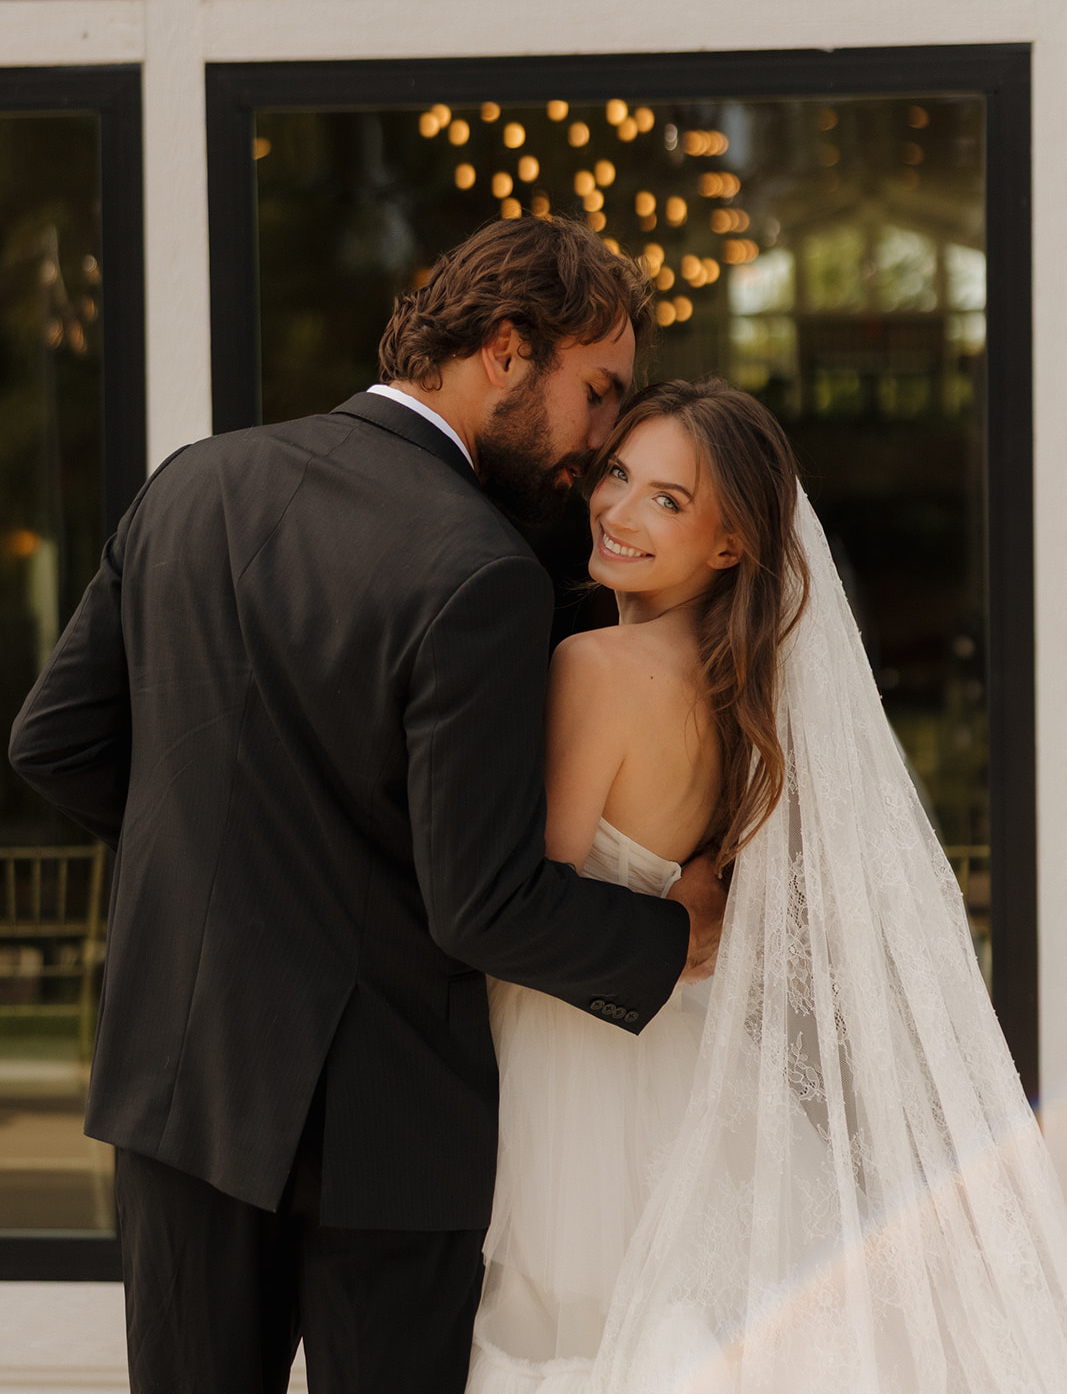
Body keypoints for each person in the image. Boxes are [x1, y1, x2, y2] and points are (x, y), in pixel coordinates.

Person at [7, 217, 726, 1394]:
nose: (597, 443)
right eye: (597, 394)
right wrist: (674, 933)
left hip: (182, 1087)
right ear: (504, 350)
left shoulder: (192, 485)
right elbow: (481, 903)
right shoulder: (479, 568)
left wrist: (210, 869)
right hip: (386, 1129)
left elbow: (56, 743)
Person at [467, 378, 1067, 1394]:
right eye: (617, 474)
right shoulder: (740, 686)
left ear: (727, 543)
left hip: (576, 1067)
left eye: (666, 498)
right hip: (685, 1052)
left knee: (572, 1337)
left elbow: (537, 894)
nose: (615, 509)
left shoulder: (594, 665)